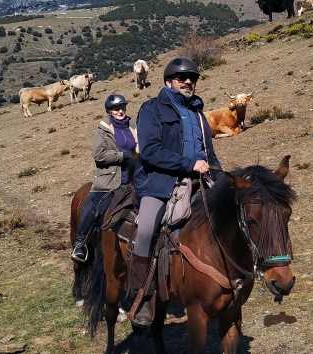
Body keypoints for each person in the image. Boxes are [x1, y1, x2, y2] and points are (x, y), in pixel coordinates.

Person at [130, 57, 222, 327]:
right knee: (147, 229)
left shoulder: (198, 114)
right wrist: (188, 163)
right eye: (182, 78)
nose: (188, 82)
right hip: (160, 182)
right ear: (169, 82)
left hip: (200, 180)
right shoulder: (152, 109)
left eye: (192, 78)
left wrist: (218, 176)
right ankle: (144, 295)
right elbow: (149, 151)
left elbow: (210, 152)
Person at [71, 94, 137, 263]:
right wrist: (123, 156)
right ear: (109, 111)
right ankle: (81, 244)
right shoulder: (103, 129)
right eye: (116, 109)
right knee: (98, 207)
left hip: (133, 174)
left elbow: (140, 146)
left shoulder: (132, 126)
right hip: (110, 178)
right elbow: (99, 155)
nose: (120, 111)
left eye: (122, 108)